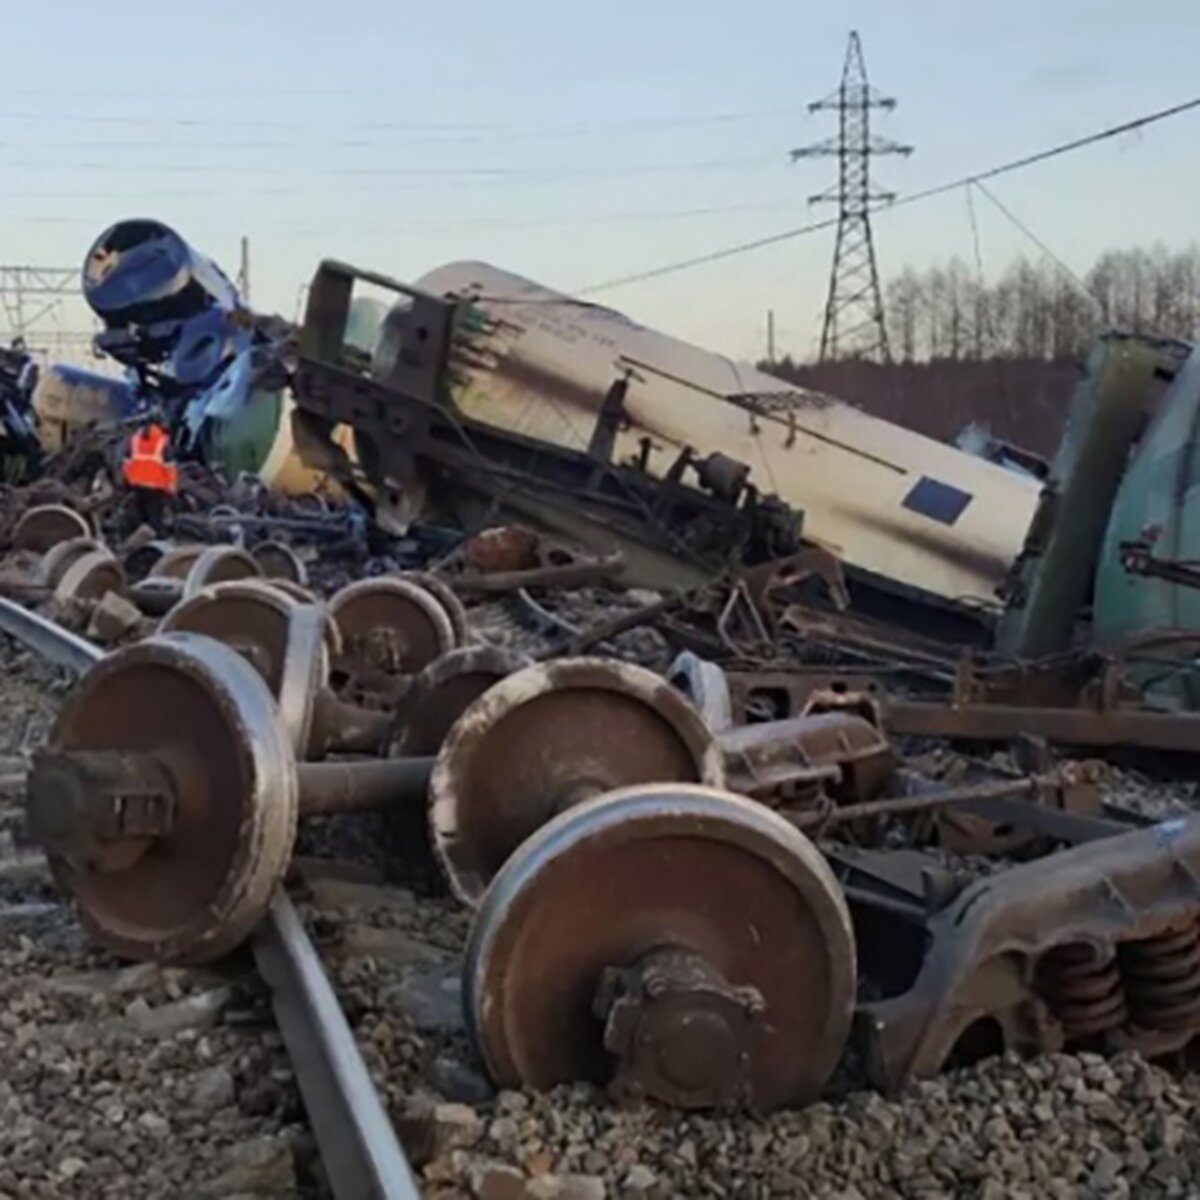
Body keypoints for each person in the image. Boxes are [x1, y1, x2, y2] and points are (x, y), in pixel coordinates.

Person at [122, 411, 178, 531]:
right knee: (155, 519)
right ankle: (155, 543)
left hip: (137, 485)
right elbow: (169, 467)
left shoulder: (135, 440)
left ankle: (139, 541)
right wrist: (171, 487)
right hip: (156, 487)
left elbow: (126, 463)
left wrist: (130, 480)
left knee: (140, 517)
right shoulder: (162, 441)